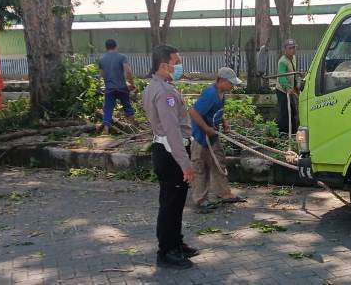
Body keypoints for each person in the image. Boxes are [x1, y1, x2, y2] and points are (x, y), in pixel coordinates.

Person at [142, 44, 198, 270]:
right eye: (176, 62)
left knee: (175, 203)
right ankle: (166, 252)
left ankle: (176, 243)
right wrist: (185, 163)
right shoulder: (164, 92)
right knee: (170, 204)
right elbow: (172, 130)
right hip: (171, 153)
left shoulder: (156, 86)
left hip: (167, 151)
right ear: (164, 65)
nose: (178, 66)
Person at [188, 67, 247, 209]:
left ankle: (224, 193)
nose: (233, 86)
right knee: (200, 167)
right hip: (202, 138)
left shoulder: (221, 93)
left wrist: (224, 121)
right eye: (231, 83)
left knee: (218, 163)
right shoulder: (210, 94)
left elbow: (217, 111)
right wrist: (206, 129)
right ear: (222, 81)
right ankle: (200, 199)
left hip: (213, 136)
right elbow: (193, 112)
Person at [97, 39, 136, 135]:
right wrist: (131, 84)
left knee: (108, 109)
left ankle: (106, 131)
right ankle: (133, 128)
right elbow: (128, 71)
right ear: (116, 46)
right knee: (127, 106)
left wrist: (104, 84)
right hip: (122, 87)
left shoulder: (102, 59)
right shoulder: (122, 57)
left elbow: (101, 75)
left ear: (105, 47)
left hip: (109, 88)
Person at [276, 38, 300, 136]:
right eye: (290, 48)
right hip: (283, 90)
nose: (292, 50)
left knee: (294, 111)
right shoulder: (282, 61)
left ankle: (294, 132)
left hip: (291, 89)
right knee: (285, 113)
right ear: (284, 49)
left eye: (294, 48)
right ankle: (283, 133)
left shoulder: (293, 58)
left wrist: (296, 86)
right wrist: (288, 88)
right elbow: (281, 77)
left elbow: (294, 73)